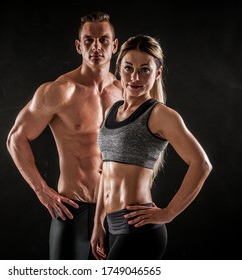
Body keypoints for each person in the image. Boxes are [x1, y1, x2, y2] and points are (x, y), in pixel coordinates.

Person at [6, 12, 122, 259]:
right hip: (73, 210)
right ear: (79, 46)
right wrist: (41, 190)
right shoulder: (61, 91)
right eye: (88, 40)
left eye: (103, 40)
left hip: (116, 210)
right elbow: (15, 138)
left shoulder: (125, 93)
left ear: (114, 45)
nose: (96, 47)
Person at [90, 34, 213, 260]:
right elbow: (105, 174)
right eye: (128, 68)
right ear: (118, 68)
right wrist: (99, 222)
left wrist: (169, 213)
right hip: (111, 226)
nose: (135, 77)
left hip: (139, 231)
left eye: (145, 70)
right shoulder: (112, 111)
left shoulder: (160, 115)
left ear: (157, 72)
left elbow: (202, 165)